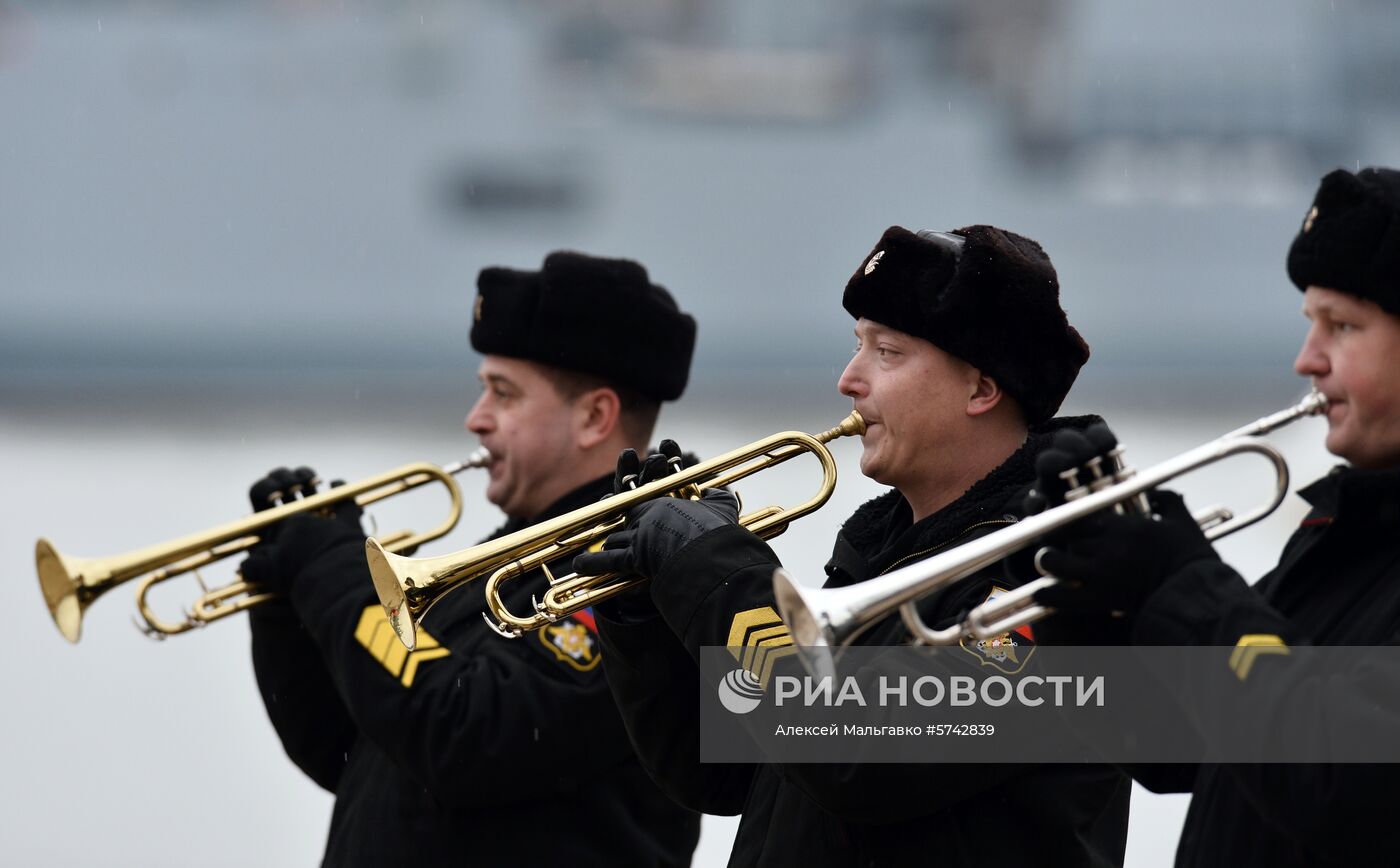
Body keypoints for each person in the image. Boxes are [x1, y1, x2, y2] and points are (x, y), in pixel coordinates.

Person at [575, 225, 1131, 866]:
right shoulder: (884, 557)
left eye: (887, 352)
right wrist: (651, 598)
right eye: (856, 345)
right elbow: (724, 771)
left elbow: (858, 752)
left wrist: (718, 570)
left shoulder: (1053, 569)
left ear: (981, 388)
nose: (848, 379)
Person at [240, 251, 702, 867]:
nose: (475, 419)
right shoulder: (512, 555)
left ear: (594, 417)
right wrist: (286, 604)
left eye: (503, 395)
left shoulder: (630, 574)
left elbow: (466, 736)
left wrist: (334, 575)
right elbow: (351, 751)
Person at [1030, 166, 1400, 866]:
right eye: (1309, 324)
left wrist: (1180, 583)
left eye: (1342, 326)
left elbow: (1347, 783)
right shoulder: (1348, 526)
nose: (1306, 361)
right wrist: (1086, 609)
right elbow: (1191, 753)